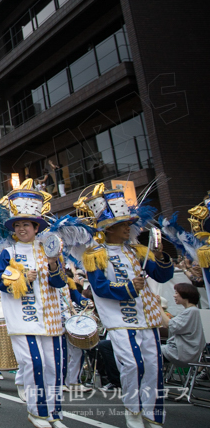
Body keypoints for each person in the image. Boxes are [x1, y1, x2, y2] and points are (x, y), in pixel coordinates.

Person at [78, 183, 173, 428]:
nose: (128, 228)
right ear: (109, 228)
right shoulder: (94, 254)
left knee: (153, 367)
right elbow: (99, 288)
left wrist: (160, 255)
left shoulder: (138, 250)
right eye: (123, 224)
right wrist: (131, 287)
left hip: (147, 318)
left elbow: (162, 276)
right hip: (120, 320)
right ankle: (133, 410)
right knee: (133, 365)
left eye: (128, 223)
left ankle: (152, 415)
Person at [0, 182, 68, 428]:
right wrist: (22, 278)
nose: (22, 228)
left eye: (27, 224)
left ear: (36, 226)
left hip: (51, 318)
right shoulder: (9, 252)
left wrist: (55, 264)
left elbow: (59, 282)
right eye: (18, 224)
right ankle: (37, 412)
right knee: (35, 364)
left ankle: (55, 414)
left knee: (54, 368)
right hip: (23, 320)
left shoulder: (50, 249)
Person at [162, 282, 205, 367]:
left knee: (149, 351)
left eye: (177, 293)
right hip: (187, 352)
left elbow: (169, 325)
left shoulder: (191, 311)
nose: (174, 296)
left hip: (180, 353)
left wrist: (158, 306)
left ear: (185, 294)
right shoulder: (194, 311)